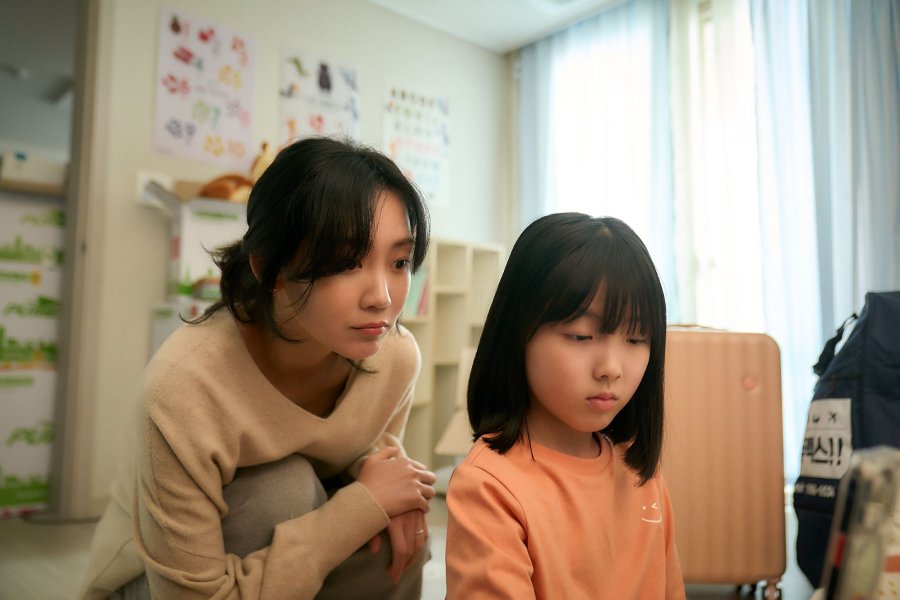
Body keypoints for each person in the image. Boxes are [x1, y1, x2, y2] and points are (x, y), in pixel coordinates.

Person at [78, 137, 437, 599]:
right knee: (283, 490)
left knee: (398, 521)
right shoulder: (183, 388)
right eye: (347, 263)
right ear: (270, 269)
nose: (382, 298)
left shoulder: (395, 357)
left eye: (399, 262)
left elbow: (366, 457)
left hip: (287, 564)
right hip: (156, 582)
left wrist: (390, 486)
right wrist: (361, 507)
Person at [445, 213, 686, 599]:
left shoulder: (639, 469)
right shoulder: (489, 485)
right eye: (580, 335)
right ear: (517, 334)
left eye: (636, 338)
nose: (611, 368)